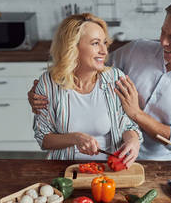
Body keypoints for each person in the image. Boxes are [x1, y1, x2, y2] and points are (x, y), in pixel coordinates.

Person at [30, 1, 171, 160]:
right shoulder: (136, 49)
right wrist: (43, 91)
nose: (163, 41)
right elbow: (90, 64)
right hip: (112, 156)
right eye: (162, 32)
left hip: (153, 160)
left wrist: (136, 114)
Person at [33, 13, 142, 166]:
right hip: (65, 170)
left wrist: (133, 141)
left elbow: (128, 126)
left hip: (108, 170)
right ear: (72, 47)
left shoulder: (115, 79)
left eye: (104, 43)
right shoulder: (48, 83)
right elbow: (43, 138)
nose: (104, 51)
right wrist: (75, 138)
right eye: (95, 43)